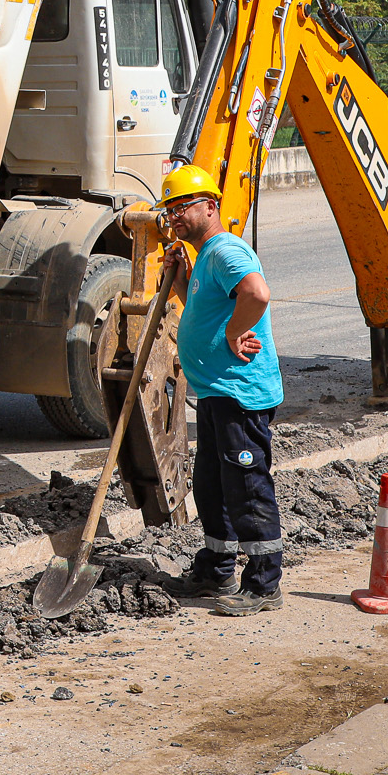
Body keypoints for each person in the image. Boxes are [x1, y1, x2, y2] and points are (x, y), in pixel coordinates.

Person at [157, 164, 285, 616]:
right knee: (212, 486)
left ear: (211, 206)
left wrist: (235, 333)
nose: (175, 216)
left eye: (183, 207)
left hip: (239, 394)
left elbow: (257, 293)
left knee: (246, 486)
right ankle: (217, 570)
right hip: (215, 392)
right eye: (170, 209)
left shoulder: (226, 251)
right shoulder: (205, 257)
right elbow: (202, 309)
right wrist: (178, 279)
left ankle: (265, 583)